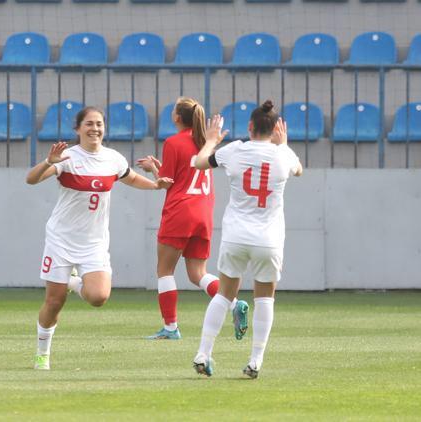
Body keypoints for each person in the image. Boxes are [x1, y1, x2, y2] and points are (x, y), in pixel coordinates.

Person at [26, 106, 173, 370]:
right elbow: (31, 179)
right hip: (61, 239)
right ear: (78, 129)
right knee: (54, 301)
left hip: (94, 243)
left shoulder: (112, 158)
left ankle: (72, 283)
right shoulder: (68, 157)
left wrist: (155, 184)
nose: (95, 129)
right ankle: (42, 354)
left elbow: (130, 177)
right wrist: (49, 161)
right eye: (89, 124)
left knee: (98, 297)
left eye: (99, 124)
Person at [191, 101, 303, 379]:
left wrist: (211, 141)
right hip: (269, 239)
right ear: (276, 129)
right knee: (265, 298)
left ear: (250, 126)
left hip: (236, 236)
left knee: (224, 294)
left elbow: (199, 163)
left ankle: (203, 353)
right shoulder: (283, 155)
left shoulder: (234, 150)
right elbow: (298, 170)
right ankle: (255, 360)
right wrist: (284, 144)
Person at [137, 97, 248, 341]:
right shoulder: (204, 143)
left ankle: (170, 327)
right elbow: (186, 174)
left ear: (177, 117)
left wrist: (152, 169)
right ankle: (235, 303)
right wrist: (161, 167)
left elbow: (166, 183)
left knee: (164, 270)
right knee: (197, 273)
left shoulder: (173, 142)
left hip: (180, 211)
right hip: (203, 213)